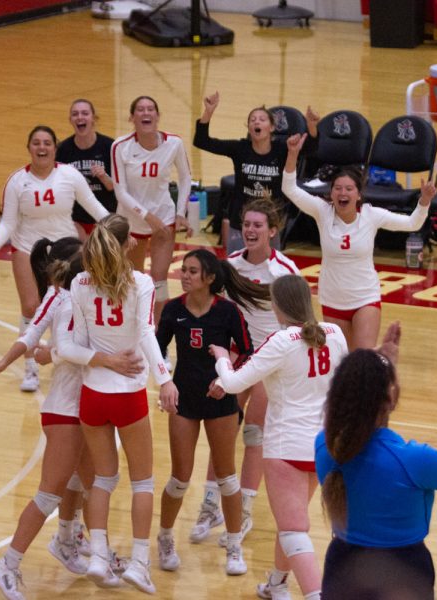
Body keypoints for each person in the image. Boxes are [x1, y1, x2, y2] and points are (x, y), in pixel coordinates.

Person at [0, 237, 143, 600]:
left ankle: (71, 540)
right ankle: (7, 564)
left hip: (81, 408)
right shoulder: (70, 301)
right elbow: (67, 349)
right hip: (67, 410)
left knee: (91, 481)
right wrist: (48, 355)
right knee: (49, 494)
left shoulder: (61, 296)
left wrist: (22, 357)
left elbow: (32, 336)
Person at [55, 213, 178, 594]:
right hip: (127, 396)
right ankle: (140, 565)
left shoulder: (78, 282)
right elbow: (145, 334)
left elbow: (68, 347)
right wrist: (166, 379)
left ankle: (97, 556)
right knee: (143, 481)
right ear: (128, 245)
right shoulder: (140, 282)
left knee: (103, 479)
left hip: (92, 397)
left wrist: (103, 360)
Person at [210, 275, 350, 600]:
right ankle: (277, 583)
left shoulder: (281, 341)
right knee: (292, 522)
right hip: (324, 445)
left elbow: (232, 383)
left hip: (286, 446)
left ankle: (317, 595)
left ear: (278, 305)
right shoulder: (336, 334)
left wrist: (220, 356)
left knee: (292, 529)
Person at [314, 349, 437, 599]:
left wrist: (382, 363)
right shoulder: (414, 460)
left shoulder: (325, 447)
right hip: (404, 574)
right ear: (391, 398)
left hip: (341, 570)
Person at [192, 198, 300, 548]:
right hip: (239, 356)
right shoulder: (228, 268)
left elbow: (299, 321)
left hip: (272, 359)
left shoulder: (285, 271)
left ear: (272, 231)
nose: (251, 230)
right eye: (247, 224)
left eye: (258, 225)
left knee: (254, 434)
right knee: (222, 430)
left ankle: (245, 508)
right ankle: (211, 505)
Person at [154, 248, 269, 576]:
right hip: (184, 402)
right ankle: (164, 537)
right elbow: (157, 349)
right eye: (184, 270)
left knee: (227, 477)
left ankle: (234, 545)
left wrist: (227, 379)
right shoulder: (174, 309)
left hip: (221, 403)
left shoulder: (228, 312)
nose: (184, 275)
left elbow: (249, 353)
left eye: (192, 271)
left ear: (209, 278)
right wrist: (165, 381)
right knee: (179, 478)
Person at [0, 125, 109, 392]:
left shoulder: (69, 175)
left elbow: (95, 208)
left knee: (73, 306)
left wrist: (119, 230)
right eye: (36, 143)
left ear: (55, 148)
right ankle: (30, 368)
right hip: (26, 247)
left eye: (47, 143)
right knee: (31, 306)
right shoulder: (16, 181)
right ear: (29, 148)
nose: (42, 147)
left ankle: (74, 361)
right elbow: (8, 223)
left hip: (67, 249)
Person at [282, 133, 435, 350]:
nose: (342, 193)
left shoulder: (371, 215)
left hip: (365, 298)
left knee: (362, 358)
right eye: (337, 188)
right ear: (331, 193)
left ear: (358, 195)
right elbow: (290, 189)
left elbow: (412, 223)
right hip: (332, 300)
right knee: (342, 362)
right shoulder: (322, 211)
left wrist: (424, 202)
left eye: (348, 189)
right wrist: (292, 154)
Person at [193, 91, 319, 252]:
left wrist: (312, 126)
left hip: (270, 223)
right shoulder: (240, 148)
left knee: (269, 271)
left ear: (272, 127)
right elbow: (202, 141)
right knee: (236, 271)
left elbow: (311, 149)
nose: (256, 122)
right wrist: (208, 111)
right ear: (249, 128)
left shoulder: (282, 149)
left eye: (262, 119)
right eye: (252, 120)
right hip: (240, 222)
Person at [111, 95, 192, 324]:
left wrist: (179, 214)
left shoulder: (173, 143)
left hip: (164, 217)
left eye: (150, 109)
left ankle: (157, 334)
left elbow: (186, 178)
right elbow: (121, 192)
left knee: (159, 279)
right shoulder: (120, 146)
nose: (146, 113)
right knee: (133, 278)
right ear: (132, 117)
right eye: (140, 109)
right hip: (132, 221)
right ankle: (135, 326)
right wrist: (148, 217)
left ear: (157, 116)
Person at [56, 98, 116, 239]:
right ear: (70, 119)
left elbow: (118, 188)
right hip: (75, 219)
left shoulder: (109, 146)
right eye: (75, 114)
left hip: (105, 216)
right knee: (80, 258)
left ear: (93, 118)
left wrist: (104, 177)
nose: (80, 117)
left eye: (85, 113)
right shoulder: (62, 150)